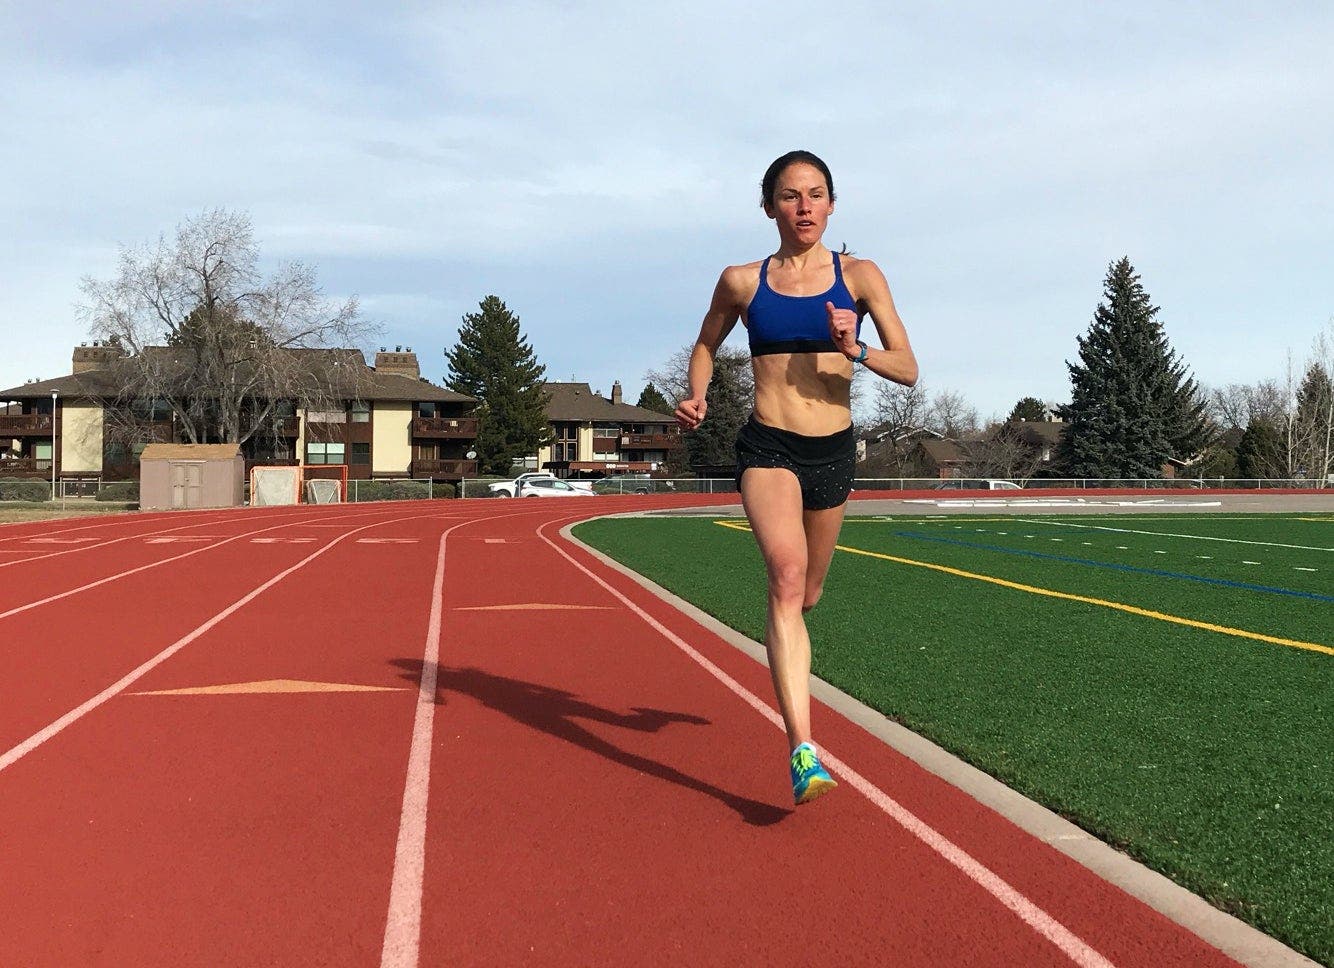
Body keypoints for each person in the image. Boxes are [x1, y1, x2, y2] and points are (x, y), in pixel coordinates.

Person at [675, 150, 919, 805]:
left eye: (815, 194)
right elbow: (706, 343)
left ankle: (790, 639)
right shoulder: (741, 281)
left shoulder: (860, 276)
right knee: (785, 577)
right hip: (769, 447)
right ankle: (803, 752)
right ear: (769, 207)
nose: (804, 206)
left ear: (832, 205)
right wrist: (697, 393)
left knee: (808, 593)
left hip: (832, 453)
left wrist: (856, 349)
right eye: (790, 195)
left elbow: (908, 368)